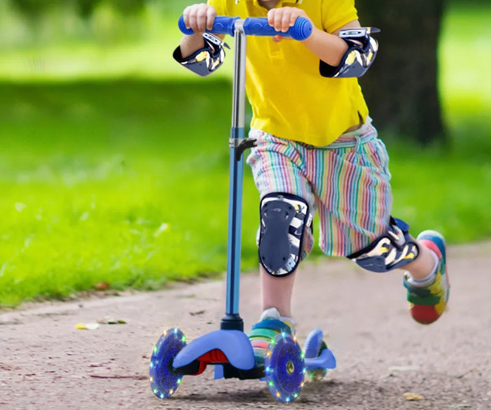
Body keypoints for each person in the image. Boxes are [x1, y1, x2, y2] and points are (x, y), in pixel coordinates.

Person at [174, 0, 449, 365]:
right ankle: (274, 320)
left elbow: (358, 56)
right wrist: (195, 30)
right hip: (277, 139)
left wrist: (308, 32)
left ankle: (426, 263)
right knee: (280, 213)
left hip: (345, 145)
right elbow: (204, 62)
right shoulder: (231, 2)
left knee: (370, 248)